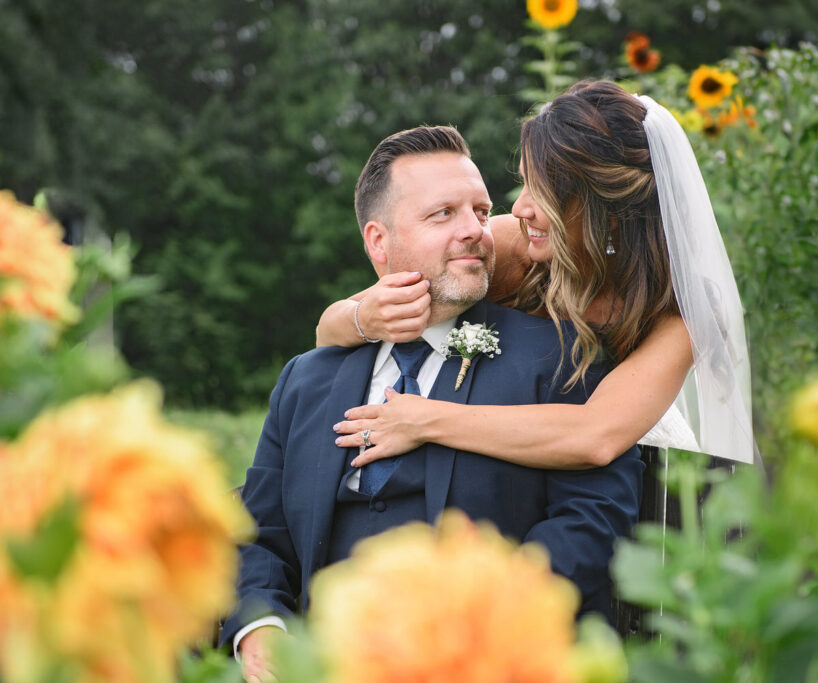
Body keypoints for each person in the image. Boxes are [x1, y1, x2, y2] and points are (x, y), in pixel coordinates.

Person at [222, 124, 643, 682]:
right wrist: (260, 631)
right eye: (443, 214)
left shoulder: (559, 356)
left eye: (480, 209)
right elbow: (257, 538)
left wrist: (482, 631)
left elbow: (593, 520)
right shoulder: (307, 379)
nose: (475, 230)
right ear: (378, 242)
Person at [318, 80, 758, 471]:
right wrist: (365, 319)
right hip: (513, 466)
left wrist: (424, 419)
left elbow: (598, 436)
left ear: (605, 207)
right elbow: (328, 329)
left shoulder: (678, 308)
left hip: (631, 467)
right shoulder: (511, 245)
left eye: (543, 190)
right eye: (524, 183)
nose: (521, 207)